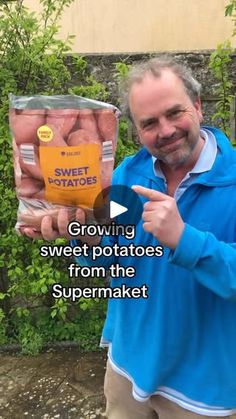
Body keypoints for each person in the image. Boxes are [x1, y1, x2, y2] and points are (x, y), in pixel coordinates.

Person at [23, 56, 236, 419]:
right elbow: (112, 260)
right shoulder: (125, 177)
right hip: (126, 367)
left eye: (174, 113)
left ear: (198, 106)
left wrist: (184, 238)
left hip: (204, 389)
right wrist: (87, 237)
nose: (165, 130)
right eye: (149, 123)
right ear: (137, 131)